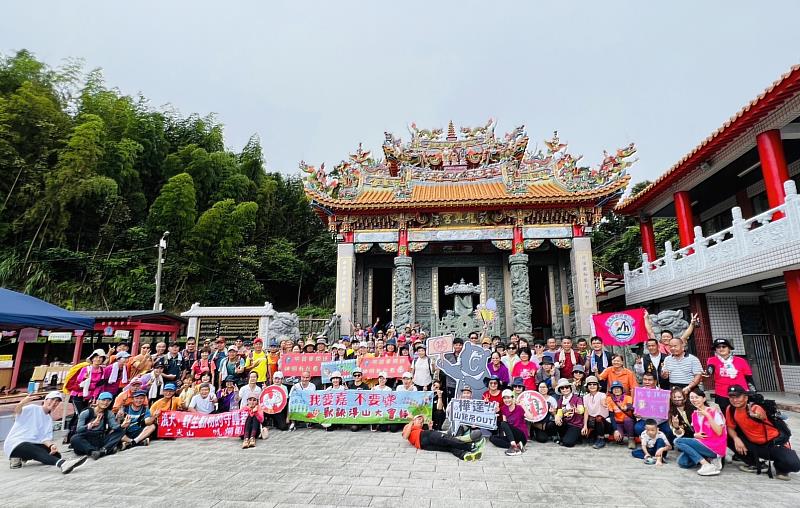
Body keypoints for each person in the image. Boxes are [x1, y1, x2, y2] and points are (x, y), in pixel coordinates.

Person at [726, 385, 800, 480]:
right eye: (731, 397)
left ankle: (780, 468)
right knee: (726, 435)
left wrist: (755, 415)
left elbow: (761, 416)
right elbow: (730, 427)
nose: (734, 400)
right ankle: (756, 464)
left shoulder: (755, 407)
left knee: (794, 465)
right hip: (754, 444)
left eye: (737, 397)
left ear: (746, 397)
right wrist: (736, 439)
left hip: (773, 444)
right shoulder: (730, 409)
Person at [4, 392, 87, 474]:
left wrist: (52, 446)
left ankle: (23, 456)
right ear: (45, 400)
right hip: (15, 443)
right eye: (52, 399)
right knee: (36, 451)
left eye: (57, 401)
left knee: (56, 455)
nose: (54, 403)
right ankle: (63, 464)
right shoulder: (33, 408)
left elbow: (44, 438)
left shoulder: (48, 419)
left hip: (31, 443)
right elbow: (17, 411)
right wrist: (23, 402)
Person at [674, 387, 726, 476]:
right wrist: (695, 434)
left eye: (696, 397)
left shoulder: (713, 411)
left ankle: (706, 464)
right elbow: (698, 434)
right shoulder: (694, 414)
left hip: (714, 446)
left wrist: (708, 416)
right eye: (691, 398)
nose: (694, 400)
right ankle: (709, 460)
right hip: (702, 445)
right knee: (683, 463)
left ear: (704, 398)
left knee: (677, 441)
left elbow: (719, 432)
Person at [402, 415, 484, 461]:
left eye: (422, 421)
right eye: (419, 419)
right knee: (447, 440)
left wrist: (430, 428)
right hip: (422, 443)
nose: (421, 421)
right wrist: (411, 422)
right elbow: (405, 436)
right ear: (414, 419)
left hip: (424, 441)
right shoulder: (409, 426)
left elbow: (431, 436)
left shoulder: (422, 429)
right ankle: (472, 447)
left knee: (448, 445)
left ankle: (464, 455)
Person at [706, 338, 754, 415]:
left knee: (744, 416)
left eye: (724, 346)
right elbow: (710, 368)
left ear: (729, 348)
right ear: (715, 350)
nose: (721, 348)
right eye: (718, 347)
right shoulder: (712, 360)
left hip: (741, 392)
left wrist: (753, 392)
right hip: (722, 393)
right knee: (728, 416)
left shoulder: (741, 360)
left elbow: (748, 377)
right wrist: (708, 371)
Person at [71, 392, 125, 459]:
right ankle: (94, 451)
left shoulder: (109, 413)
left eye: (108, 401)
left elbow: (114, 427)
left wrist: (122, 423)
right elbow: (79, 429)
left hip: (100, 438)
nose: (106, 403)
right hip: (86, 437)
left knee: (120, 432)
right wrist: (91, 425)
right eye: (103, 400)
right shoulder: (86, 412)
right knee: (75, 438)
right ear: (97, 401)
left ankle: (103, 450)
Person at [633, 372, 674, 442]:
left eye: (649, 380)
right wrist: (636, 414)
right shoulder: (639, 393)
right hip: (646, 421)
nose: (647, 382)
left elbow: (668, 410)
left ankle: (660, 441)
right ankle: (650, 441)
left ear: (655, 381)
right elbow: (637, 409)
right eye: (645, 379)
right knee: (638, 428)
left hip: (661, 421)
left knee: (669, 431)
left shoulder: (662, 393)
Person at [490, 389, 529, 455]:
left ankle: (513, 446)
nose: (506, 400)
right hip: (512, 437)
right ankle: (517, 446)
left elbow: (531, 417)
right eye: (504, 398)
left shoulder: (519, 408)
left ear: (513, 398)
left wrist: (524, 407)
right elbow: (505, 425)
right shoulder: (503, 408)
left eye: (508, 398)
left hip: (521, 435)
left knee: (503, 423)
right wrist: (495, 411)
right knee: (492, 438)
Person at [553, 378, 585, 447]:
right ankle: (564, 437)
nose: (565, 389)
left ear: (570, 388)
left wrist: (578, 410)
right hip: (566, 423)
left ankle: (574, 437)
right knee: (555, 422)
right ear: (560, 390)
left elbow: (581, 409)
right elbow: (560, 412)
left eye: (567, 387)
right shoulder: (561, 400)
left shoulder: (577, 398)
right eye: (562, 388)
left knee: (568, 443)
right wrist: (557, 417)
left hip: (576, 424)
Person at [581, 375, 610, 449]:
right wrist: (585, 426)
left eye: (594, 384)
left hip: (602, 422)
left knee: (598, 418)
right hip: (592, 421)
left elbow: (603, 400)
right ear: (587, 386)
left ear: (597, 386)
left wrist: (604, 403)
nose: (592, 386)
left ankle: (601, 438)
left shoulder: (602, 395)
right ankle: (594, 435)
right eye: (590, 384)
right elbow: (586, 412)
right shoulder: (585, 397)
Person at [607, 380, 636, 449]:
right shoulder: (609, 399)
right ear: (612, 390)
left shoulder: (628, 397)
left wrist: (627, 407)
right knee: (618, 439)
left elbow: (630, 406)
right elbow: (611, 416)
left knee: (628, 420)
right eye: (614, 388)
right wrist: (615, 430)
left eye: (618, 388)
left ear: (622, 389)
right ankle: (620, 434)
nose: (616, 390)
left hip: (628, 421)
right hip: (618, 422)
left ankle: (631, 439)